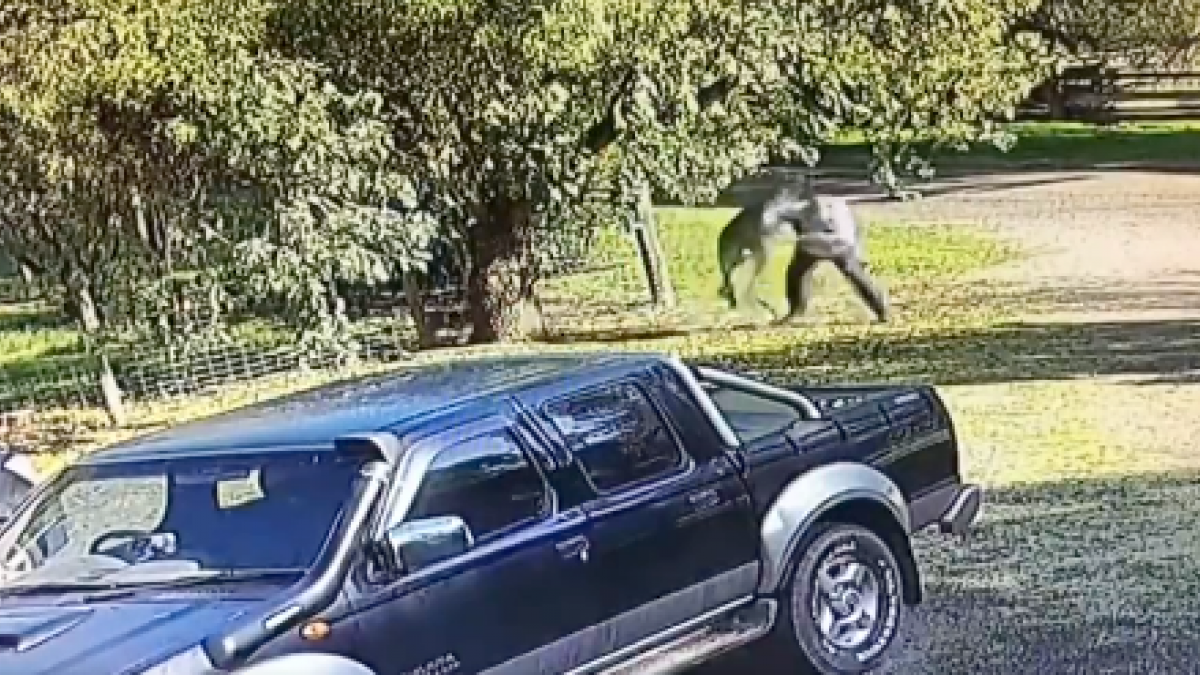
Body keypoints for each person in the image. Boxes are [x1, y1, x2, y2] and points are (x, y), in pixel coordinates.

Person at [779, 193, 891, 324]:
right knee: (856, 274)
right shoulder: (840, 205)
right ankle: (882, 312)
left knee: (796, 273)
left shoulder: (799, 204)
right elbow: (856, 231)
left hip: (814, 241)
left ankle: (796, 311)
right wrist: (859, 255)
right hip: (842, 241)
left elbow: (781, 218)